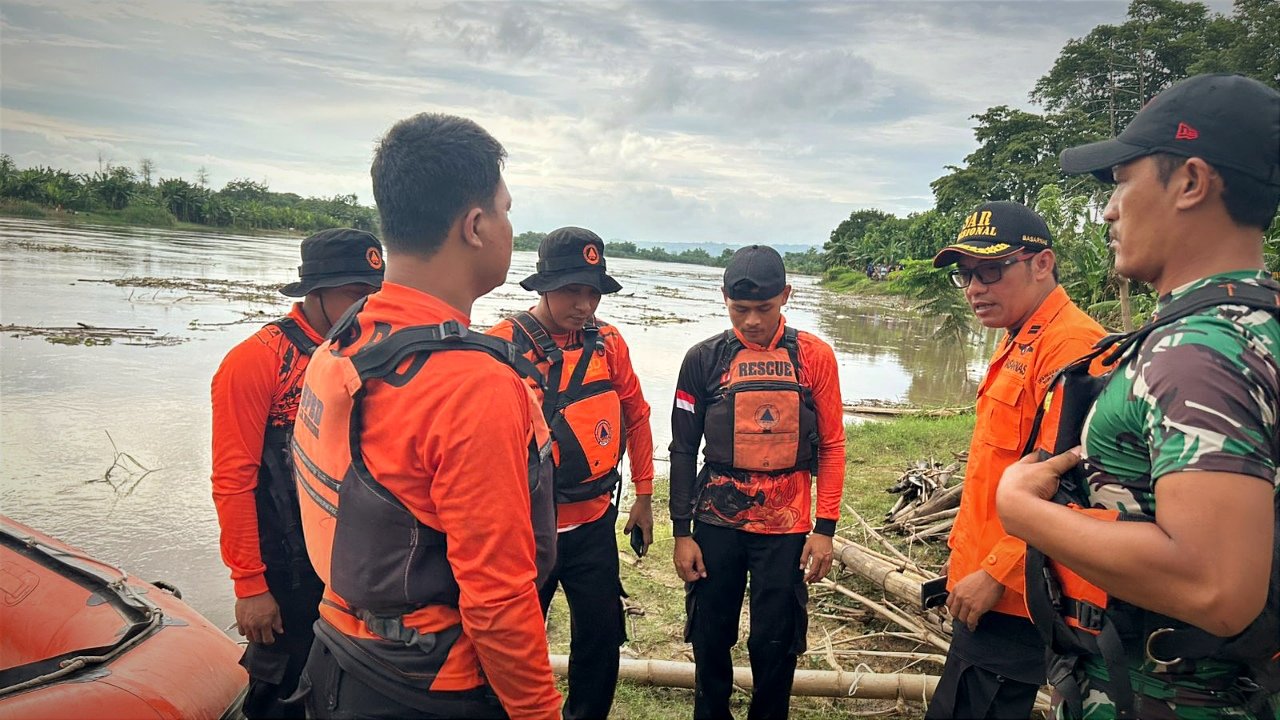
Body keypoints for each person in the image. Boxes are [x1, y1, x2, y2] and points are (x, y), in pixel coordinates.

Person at [997, 73, 1280, 719]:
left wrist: (1021, 511)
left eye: (1124, 181)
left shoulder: (1204, 353)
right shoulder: (1252, 326)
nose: (1109, 209)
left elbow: (1215, 586)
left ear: (1191, 183)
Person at [290, 113, 561, 720]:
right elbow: (497, 599)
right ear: (474, 226)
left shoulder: (346, 337)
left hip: (337, 657)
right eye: (506, 210)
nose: (510, 227)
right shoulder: (473, 386)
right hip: (427, 689)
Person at [926, 202, 1105, 719]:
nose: (975, 288)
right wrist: (964, 556)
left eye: (991, 271)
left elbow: (1066, 482)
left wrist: (996, 572)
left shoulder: (1072, 346)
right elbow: (996, 470)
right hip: (987, 578)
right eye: (967, 275)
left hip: (1019, 594)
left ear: (1042, 263)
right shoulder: (1022, 336)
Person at [210, 227, 384, 719]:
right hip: (283, 566)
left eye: (375, 292)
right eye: (356, 293)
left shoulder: (374, 355)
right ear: (316, 291)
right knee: (278, 693)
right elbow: (233, 480)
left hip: (353, 564)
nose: (368, 305)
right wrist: (250, 585)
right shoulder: (257, 360)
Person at [486, 226, 655, 720]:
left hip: (594, 524)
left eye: (593, 292)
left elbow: (637, 416)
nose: (583, 305)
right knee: (513, 644)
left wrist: (644, 496)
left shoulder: (609, 343)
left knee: (601, 638)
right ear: (541, 286)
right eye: (571, 291)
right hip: (525, 530)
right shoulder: (501, 348)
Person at [669, 244, 844, 720]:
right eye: (739, 309)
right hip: (716, 519)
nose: (751, 321)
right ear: (723, 298)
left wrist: (824, 528)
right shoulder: (702, 359)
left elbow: (831, 445)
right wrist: (681, 532)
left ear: (785, 296)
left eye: (763, 309)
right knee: (710, 631)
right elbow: (683, 449)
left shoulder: (814, 357)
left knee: (777, 637)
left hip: (786, 526)